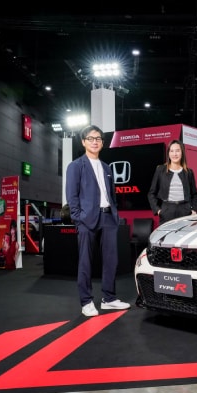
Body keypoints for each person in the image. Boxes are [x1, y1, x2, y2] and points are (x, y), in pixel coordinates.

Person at [66, 125, 130, 317]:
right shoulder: (76, 166)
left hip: (108, 218)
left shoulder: (107, 167)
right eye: (91, 138)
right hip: (87, 220)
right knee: (85, 262)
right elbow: (72, 196)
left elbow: (112, 195)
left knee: (111, 260)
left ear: (102, 142)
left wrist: (114, 214)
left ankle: (109, 299)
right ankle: (86, 302)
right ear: (83, 142)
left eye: (98, 139)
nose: (95, 142)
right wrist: (78, 218)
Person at [147, 139, 197, 225]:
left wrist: (194, 210)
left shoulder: (189, 172)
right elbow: (151, 193)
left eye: (177, 151)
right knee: (167, 234)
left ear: (182, 153)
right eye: (171, 151)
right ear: (168, 153)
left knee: (184, 234)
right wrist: (158, 210)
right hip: (167, 211)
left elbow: (195, 194)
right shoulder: (160, 170)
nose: (174, 154)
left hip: (185, 211)